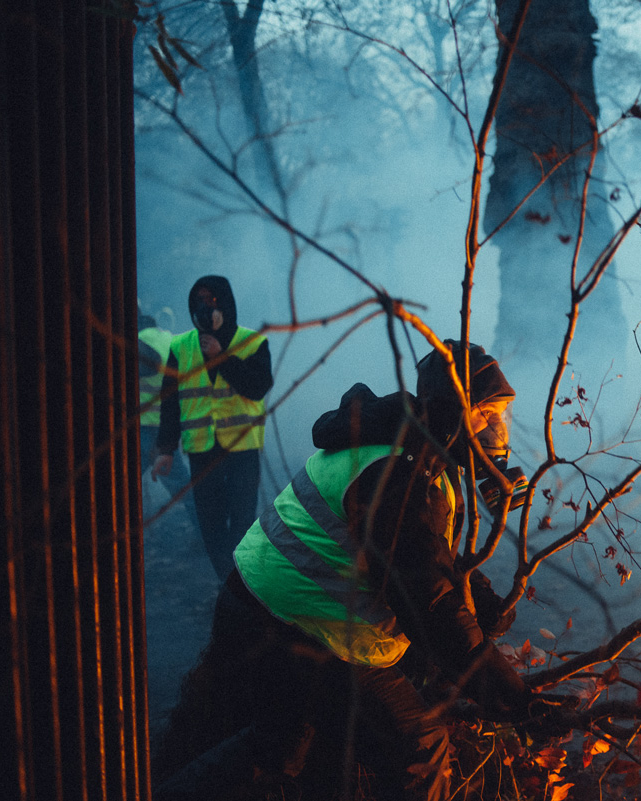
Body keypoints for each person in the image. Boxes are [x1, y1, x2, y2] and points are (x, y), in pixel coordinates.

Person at [154, 340, 537, 801]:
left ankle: (149, 785)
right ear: (453, 410)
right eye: (485, 415)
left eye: (501, 417)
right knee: (419, 748)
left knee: (284, 752)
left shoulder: (410, 447)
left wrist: (482, 598)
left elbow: (419, 549)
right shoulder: (397, 471)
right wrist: (513, 698)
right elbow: (426, 600)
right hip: (304, 628)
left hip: (262, 603)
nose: (497, 430)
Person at [152, 276, 273, 581]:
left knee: (243, 520)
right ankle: (231, 582)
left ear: (226, 303)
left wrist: (221, 357)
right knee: (211, 524)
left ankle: (242, 585)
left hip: (242, 449)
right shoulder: (180, 346)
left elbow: (257, 388)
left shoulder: (253, 342)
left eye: (212, 300)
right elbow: (170, 403)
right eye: (199, 301)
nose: (205, 307)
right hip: (201, 450)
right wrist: (165, 450)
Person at [137, 308, 196, 520]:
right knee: (182, 487)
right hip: (166, 428)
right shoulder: (170, 340)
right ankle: (206, 536)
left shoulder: (138, 343)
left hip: (144, 427)